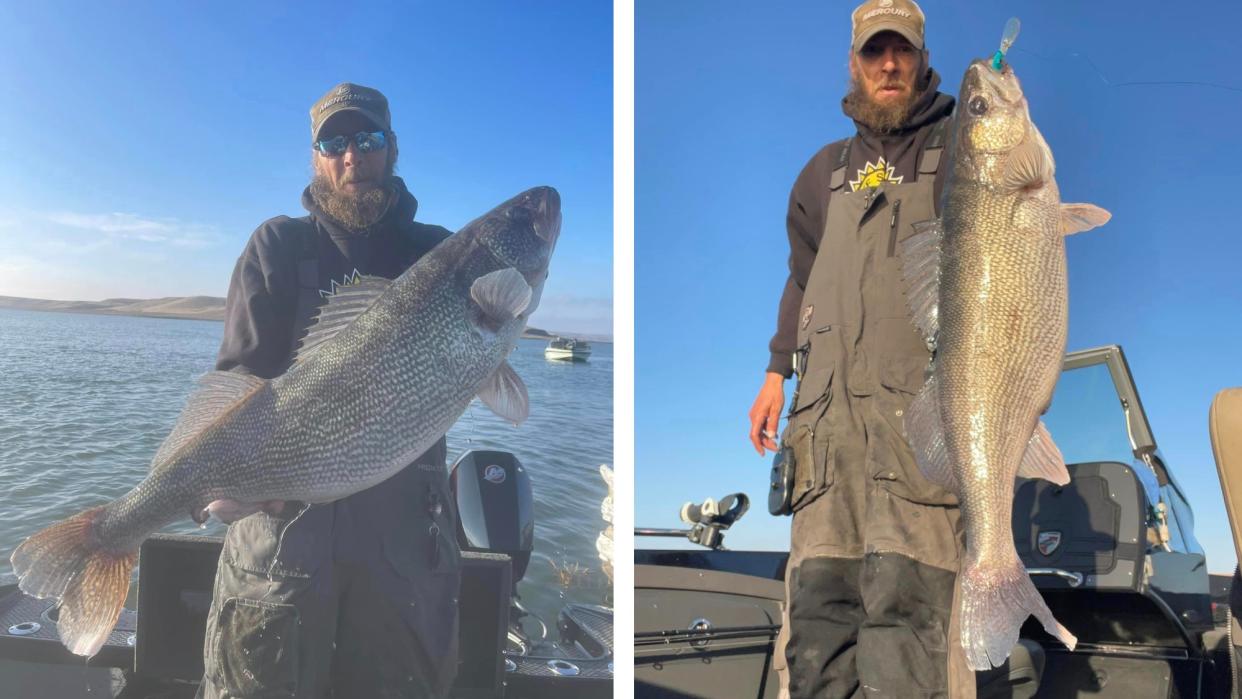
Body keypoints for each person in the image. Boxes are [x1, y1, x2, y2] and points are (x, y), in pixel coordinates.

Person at [197, 83, 461, 698]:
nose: (352, 156)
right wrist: (232, 482)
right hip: (279, 528)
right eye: (334, 142)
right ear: (316, 155)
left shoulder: (439, 253)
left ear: (391, 150)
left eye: (367, 139)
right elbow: (239, 381)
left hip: (404, 540)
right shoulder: (278, 246)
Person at [746, 1, 977, 696]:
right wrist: (774, 372)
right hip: (825, 449)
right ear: (853, 62)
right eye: (874, 51)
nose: (888, 64)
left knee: (908, 640)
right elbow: (801, 276)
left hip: (919, 438)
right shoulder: (823, 173)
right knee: (818, 637)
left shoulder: (961, 149)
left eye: (900, 51)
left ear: (921, 59)